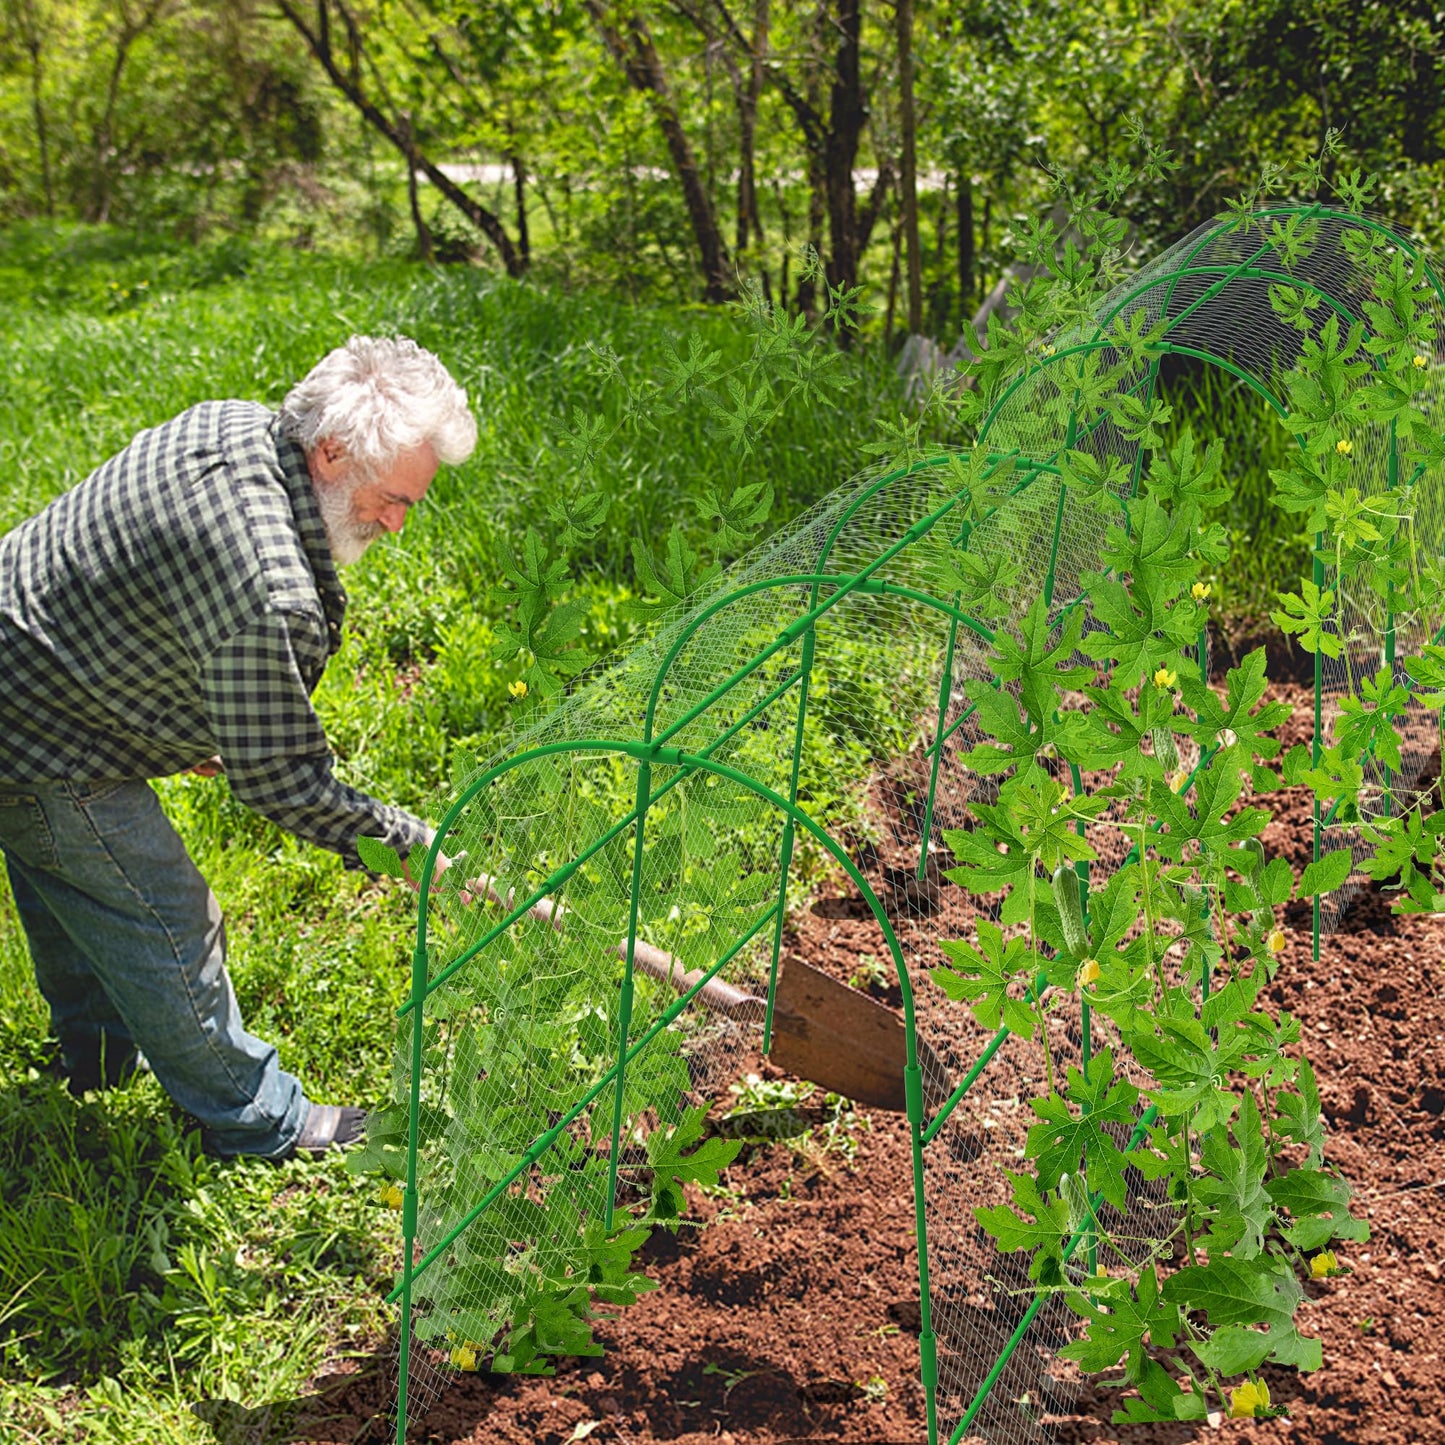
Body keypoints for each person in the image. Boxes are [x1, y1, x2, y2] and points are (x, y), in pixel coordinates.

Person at [0, 335, 477, 1159]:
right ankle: (257, 1120)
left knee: (70, 886)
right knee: (161, 914)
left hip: (27, 653)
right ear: (330, 451)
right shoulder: (268, 591)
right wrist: (410, 846)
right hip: (41, 738)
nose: (398, 523)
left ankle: (98, 1060)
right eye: (392, 498)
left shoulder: (234, 427)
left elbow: (150, 580)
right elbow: (285, 783)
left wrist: (185, 711)